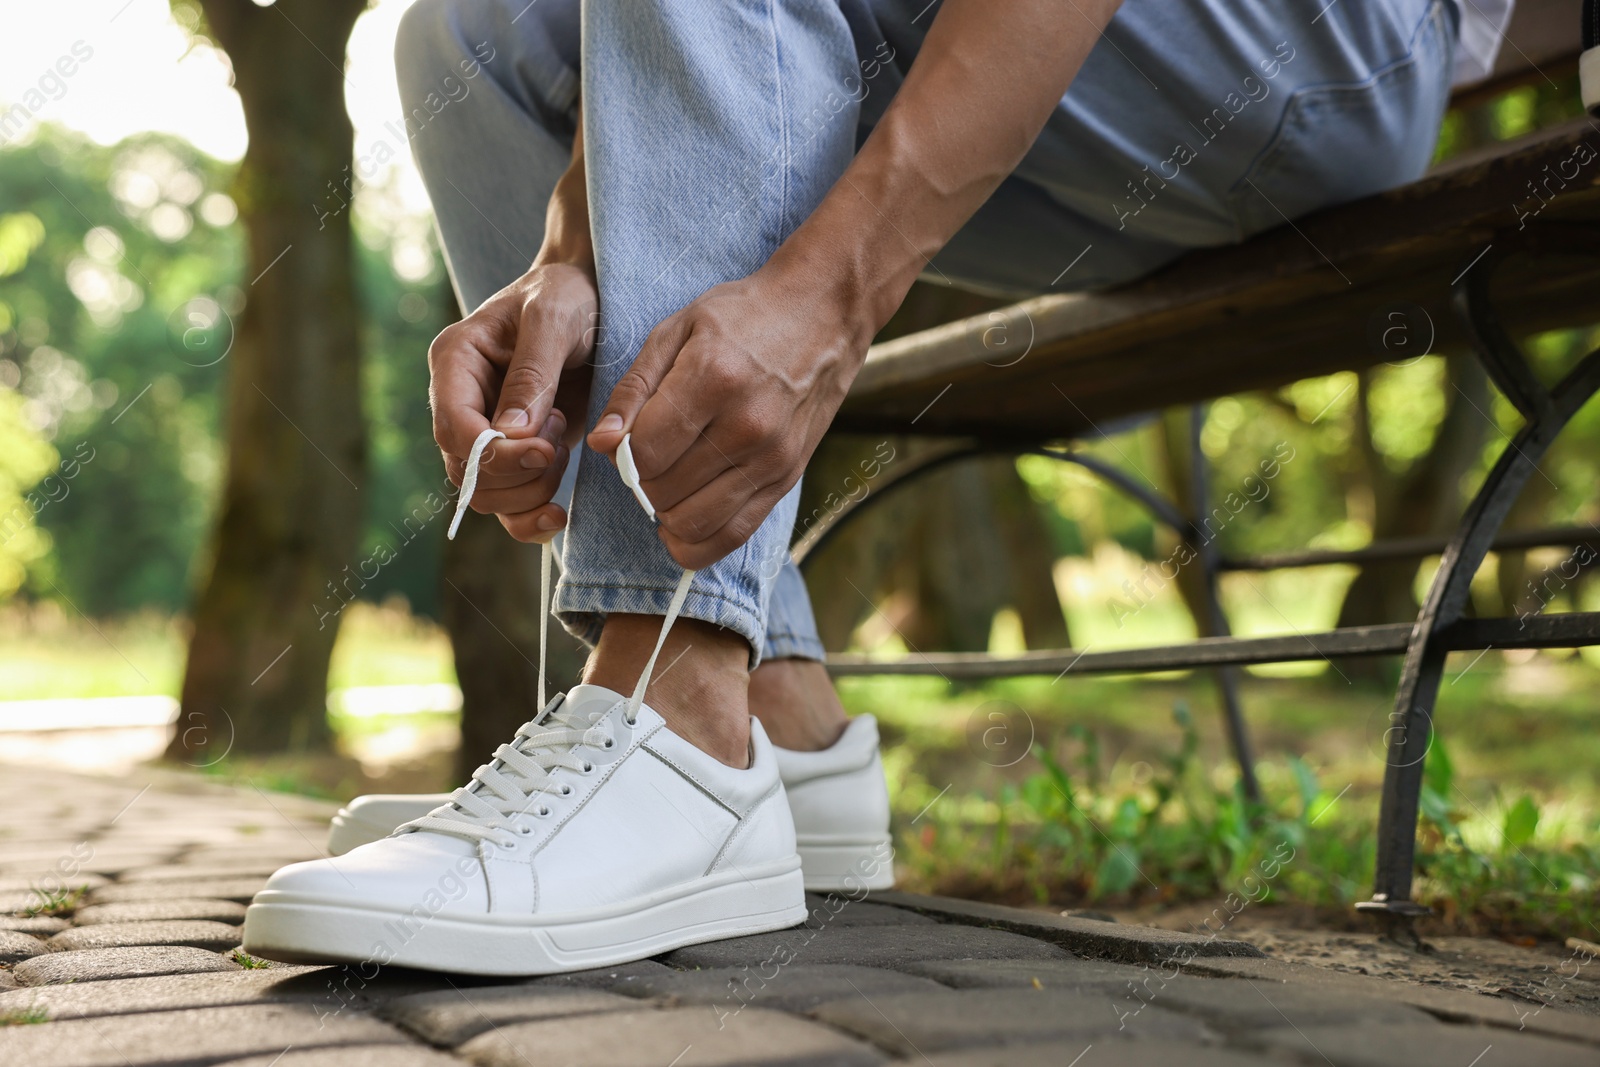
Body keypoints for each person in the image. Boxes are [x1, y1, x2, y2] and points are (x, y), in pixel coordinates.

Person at [242, 0, 1492, 974]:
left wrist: (834, 293)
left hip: (1329, 54)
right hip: (1091, 94)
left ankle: (671, 717)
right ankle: (781, 729)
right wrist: (570, 248)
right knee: (473, 37)